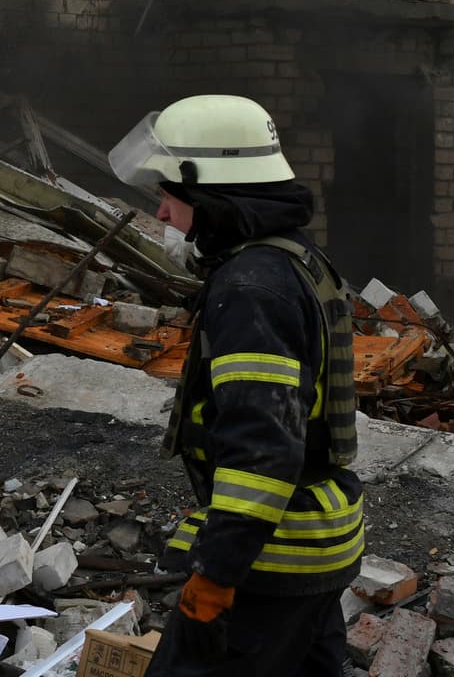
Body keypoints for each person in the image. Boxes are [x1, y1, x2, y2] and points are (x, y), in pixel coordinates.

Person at [108, 95, 363, 676]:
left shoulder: (252, 290)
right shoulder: (295, 259)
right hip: (318, 544)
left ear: (210, 194)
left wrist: (216, 576)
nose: (162, 213)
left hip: (271, 564)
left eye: (170, 195)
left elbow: (263, 450)